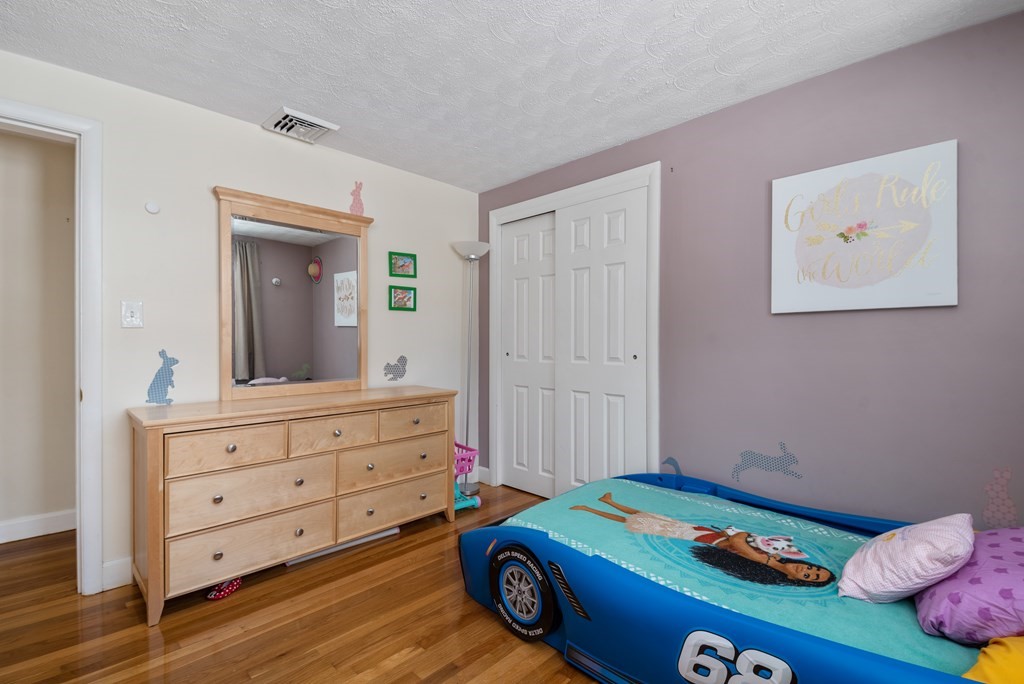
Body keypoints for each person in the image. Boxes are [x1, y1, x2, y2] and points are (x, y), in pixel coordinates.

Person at [570, 492, 834, 586]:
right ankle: (611, 501)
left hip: (705, 538)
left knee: (642, 523)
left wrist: (738, 537)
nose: (808, 568)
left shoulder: (764, 562)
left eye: (809, 576)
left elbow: (740, 541)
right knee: (651, 515)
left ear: (794, 580)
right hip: (707, 533)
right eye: (814, 568)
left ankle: (590, 510)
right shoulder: (773, 556)